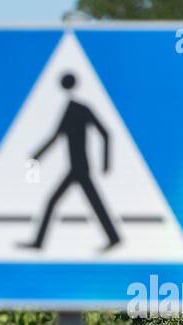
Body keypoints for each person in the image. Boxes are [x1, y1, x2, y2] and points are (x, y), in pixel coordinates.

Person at [21, 72, 121, 251]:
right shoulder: (70, 110)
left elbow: (106, 134)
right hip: (75, 168)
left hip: (80, 168)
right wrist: (37, 155)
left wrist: (106, 164)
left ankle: (39, 242)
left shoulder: (81, 109)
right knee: (83, 203)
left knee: (62, 201)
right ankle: (113, 238)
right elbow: (56, 137)